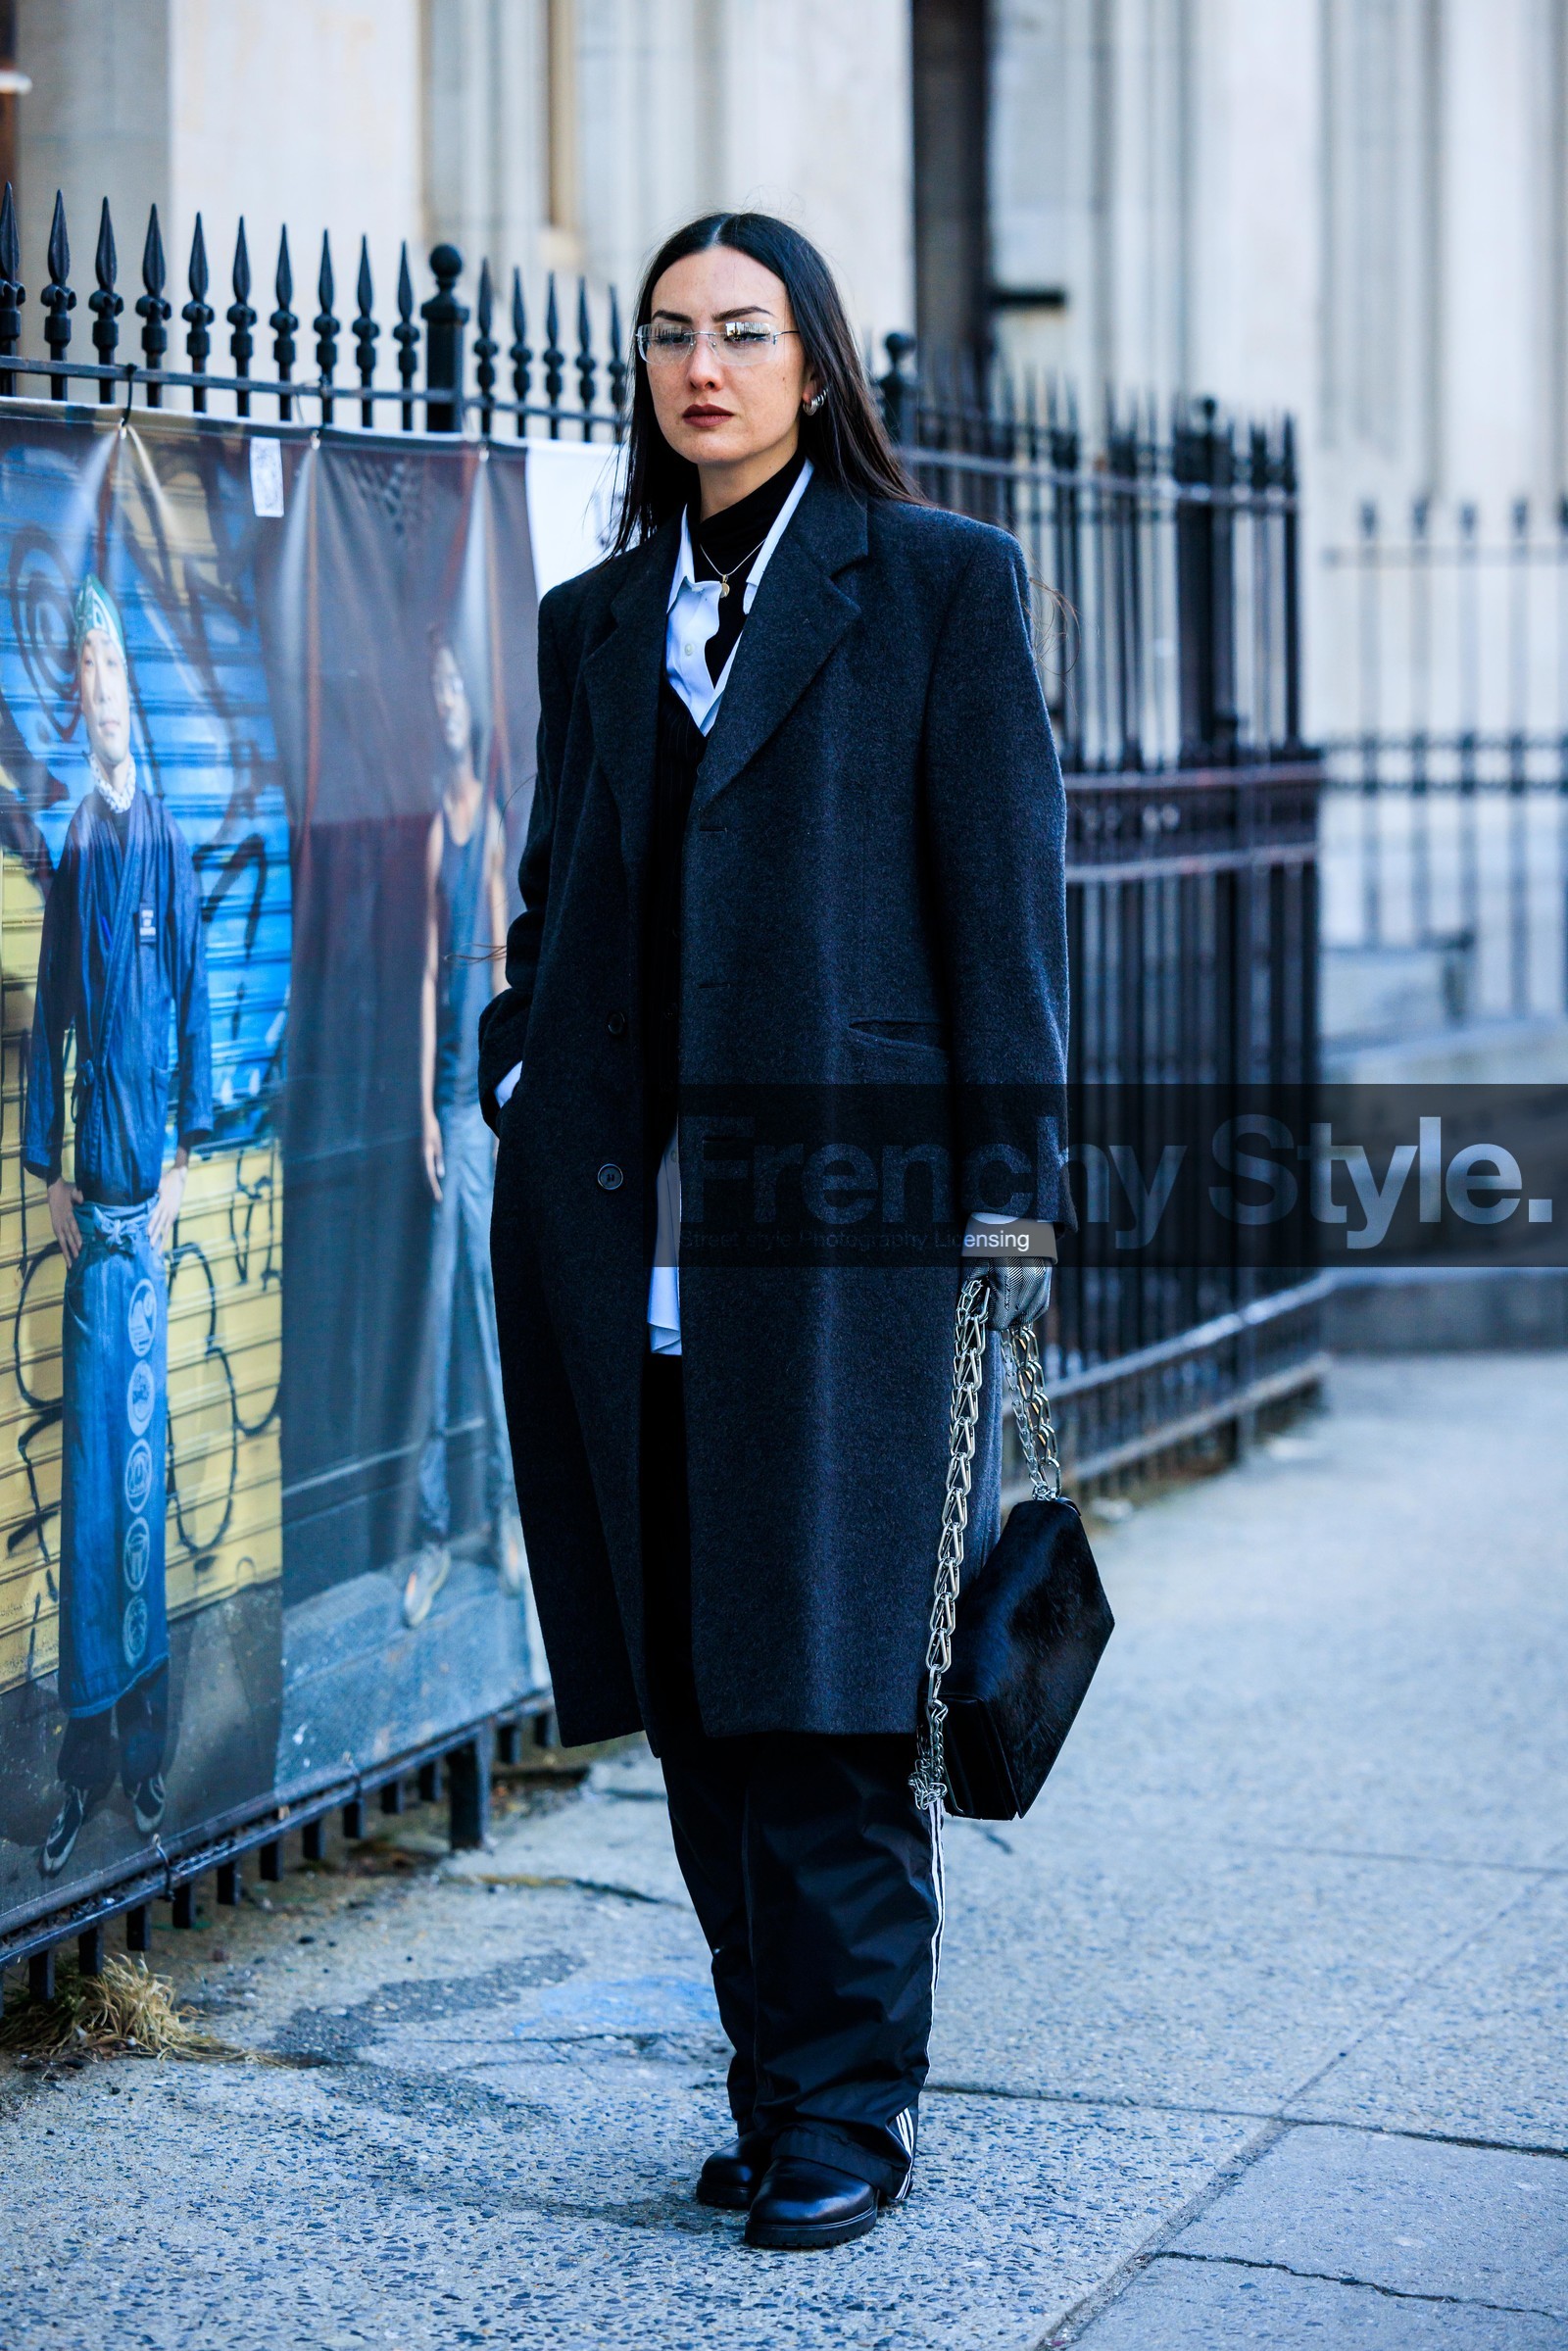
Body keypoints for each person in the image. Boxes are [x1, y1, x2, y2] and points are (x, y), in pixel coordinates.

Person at [481, 214, 1066, 2250]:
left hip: (841, 1236)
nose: (700, 366)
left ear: (811, 361)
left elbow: (1004, 910)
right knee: (700, 1690)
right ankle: (772, 2080)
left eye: (741, 331)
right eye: (668, 335)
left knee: (824, 1690)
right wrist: (511, 1064)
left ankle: (849, 2110)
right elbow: (555, 894)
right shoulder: (593, 616)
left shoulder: (932, 586)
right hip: (611, 1237)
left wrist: (1009, 1186)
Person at [24, 573, 212, 1877]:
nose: (104, 693)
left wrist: (193, 1144)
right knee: (96, 1493)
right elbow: (47, 1022)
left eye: (115, 671)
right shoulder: (74, 839)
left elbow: (198, 1001)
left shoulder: (167, 840)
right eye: (84, 675)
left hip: (156, 1210)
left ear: (130, 692)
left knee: (143, 1487)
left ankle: (146, 1758)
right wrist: (46, 1166)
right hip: (93, 1214)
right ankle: (85, 1766)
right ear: (73, 700)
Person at [402, 629, 536, 1646]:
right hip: (439, 1115)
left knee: (480, 1324)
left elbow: (492, 971)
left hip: (473, 1115)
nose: (447, 698)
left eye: (457, 684)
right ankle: (440, 1529)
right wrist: (421, 1113)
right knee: (444, 1320)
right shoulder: (427, 826)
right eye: (434, 684)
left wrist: (480, 1107)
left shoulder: (487, 821)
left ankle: (502, 1523)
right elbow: (421, 977)